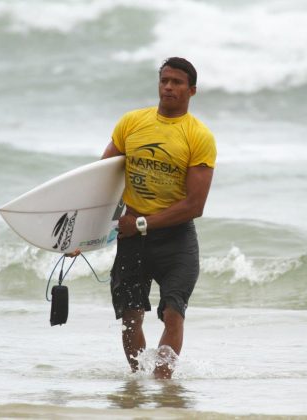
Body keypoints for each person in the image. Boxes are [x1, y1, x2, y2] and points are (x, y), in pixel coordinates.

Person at [69, 57, 216, 379]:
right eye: (164, 80)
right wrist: (80, 235)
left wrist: (141, 224)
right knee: (130, 317)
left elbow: (195, 205)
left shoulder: (198, 136)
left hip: (176, 240)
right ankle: (138, 381)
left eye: (177, 82)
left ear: (191, 90)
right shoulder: (132, 123)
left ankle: (163, 383)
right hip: (132, 240)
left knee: (173, 313)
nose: (168, 87)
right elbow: (101, 181)